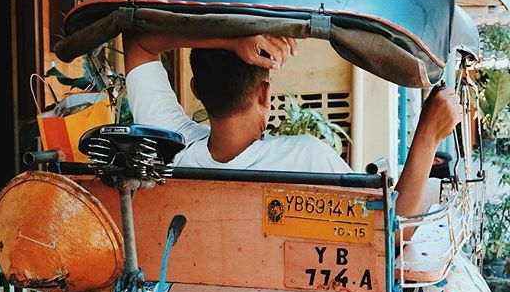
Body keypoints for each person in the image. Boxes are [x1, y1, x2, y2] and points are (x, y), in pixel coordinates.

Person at [123, 32, 462, 221]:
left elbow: (138, 41)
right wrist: (427, 135)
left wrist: (228, 42)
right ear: (265, 92)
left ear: (196, 90)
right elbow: (390, 232)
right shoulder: (304, 158)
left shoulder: (173, 150)